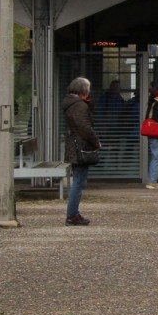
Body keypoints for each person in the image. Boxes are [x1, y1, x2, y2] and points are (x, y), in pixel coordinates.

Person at [62, 76, 101, 226]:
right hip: (80, 147)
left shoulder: (71, 103)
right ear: (83, 90)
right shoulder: (79, 106)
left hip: (74, 146)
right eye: (88, 89)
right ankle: (72, 215)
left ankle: (73, 214)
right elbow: (85, 127)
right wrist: (96, 142)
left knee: (78, 180)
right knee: (78, 182)